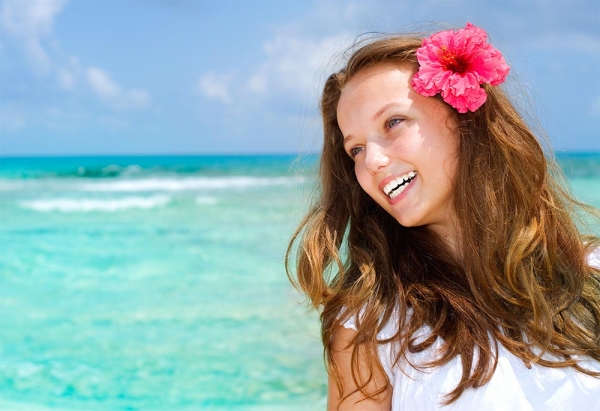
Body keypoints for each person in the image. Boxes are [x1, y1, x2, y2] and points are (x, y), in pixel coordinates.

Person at [286, 23, 600, 410]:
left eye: (393, 122)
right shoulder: (371, 326)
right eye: (356, 150)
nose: (372, 162)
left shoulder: (590, 273)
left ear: (464, 117)